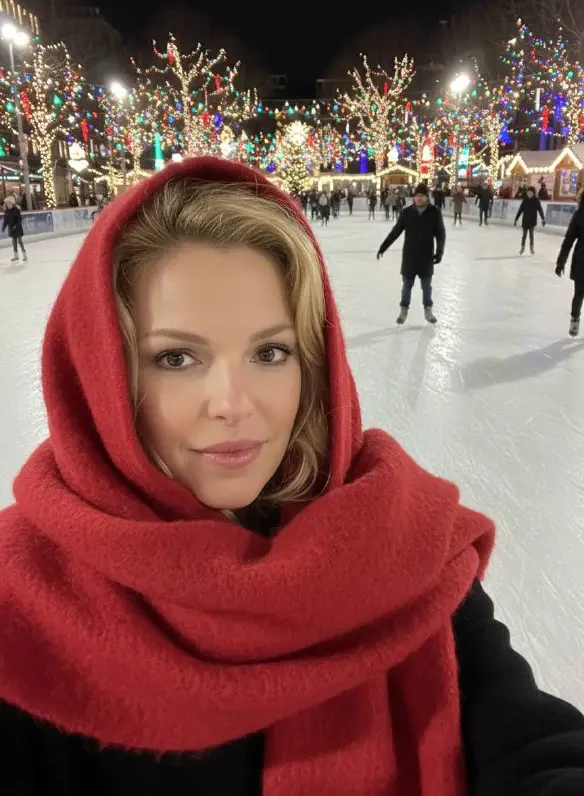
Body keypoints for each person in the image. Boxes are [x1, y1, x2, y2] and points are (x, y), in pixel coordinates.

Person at [1, 157, 584, 794]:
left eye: (269, 352)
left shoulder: (400, 540)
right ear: (102, 377)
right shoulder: (24, 602)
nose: (232, 402)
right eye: (175, 357)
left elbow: (533, 741)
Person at [377, 182, 445, 325]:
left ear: (427, 197)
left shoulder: (434, 212)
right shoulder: (407, 212)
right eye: (417, 196)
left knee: (427, 286)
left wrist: (439, 252)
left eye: (422, 196)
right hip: (410, 256)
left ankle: (428, 310)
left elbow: (440, 234)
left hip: (426, 256)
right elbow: (396, 232)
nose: (419, 198)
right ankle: (403, 310)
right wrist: (383, 246)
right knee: (407, 285)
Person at [555, 189, 584, 337]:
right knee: (579, 293)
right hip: (581, 261)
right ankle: (575, 320)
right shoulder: (580, 215)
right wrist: (561, 262)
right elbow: (569, 240)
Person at [515, 186, 546, 255]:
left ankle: (531, 248)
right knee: (524, 235)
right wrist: (516, 219)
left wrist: (543, 218)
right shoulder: (525, 200)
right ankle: (522, 248)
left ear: (533, 193)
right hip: (525, 221)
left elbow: (540, 210)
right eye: (528, 192)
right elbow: (520, 210)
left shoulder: (536, 200)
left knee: (531, 235)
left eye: (530, 193)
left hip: (532, 221)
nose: (529, 194)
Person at [2, 196, 27, 262]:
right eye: (6, 203)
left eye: (8, 203)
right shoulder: (6, 211)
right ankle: (16, 256)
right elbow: (6, 220)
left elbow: (19, 220)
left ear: (11, 203)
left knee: (20, 241)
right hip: (11, 228)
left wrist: (15, 226)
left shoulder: (16, 210)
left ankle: (24, 255)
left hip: (17, 228)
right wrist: (3, 227)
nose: (7, 204)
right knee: (14, 242)